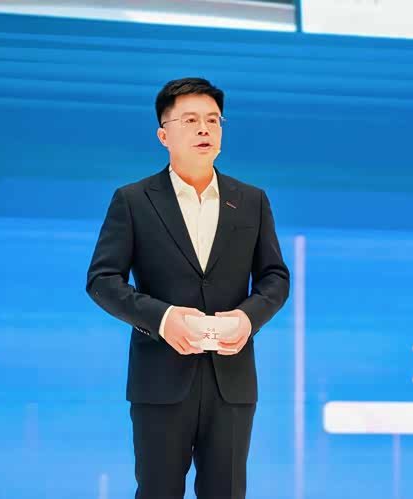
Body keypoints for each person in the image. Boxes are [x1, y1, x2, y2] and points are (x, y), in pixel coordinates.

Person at [86, 77, 290, 499]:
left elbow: (275, 277)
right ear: (164, 135)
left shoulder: (251, 200)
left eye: (213, 120)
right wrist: (163, 319)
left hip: (231, 380)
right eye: (191, 120)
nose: (204, 129)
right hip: (160, 378)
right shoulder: (134, 200)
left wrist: (247, 319)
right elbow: (102, 281)